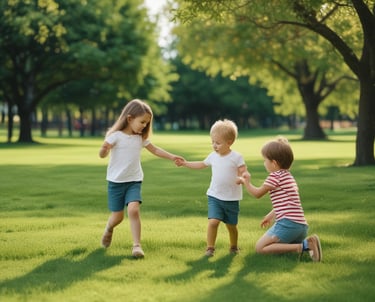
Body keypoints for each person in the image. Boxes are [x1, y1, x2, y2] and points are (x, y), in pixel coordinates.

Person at [99, 99, 184, 258]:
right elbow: (103, 151)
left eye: (147, 123)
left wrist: (172, 157)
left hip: (134, 180)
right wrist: (103, 151)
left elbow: (155, 150)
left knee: (133, 209)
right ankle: (109, 229)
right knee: (117, 217)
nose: (144, 126)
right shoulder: (115, 136)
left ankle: (137, 246)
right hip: (116, 182)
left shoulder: (140, 138)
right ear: (130, 118)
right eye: (142, 122)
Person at [237, 136, 322, 262]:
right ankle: (305, 242)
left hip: (288, 225)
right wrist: (270, 216)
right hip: (301, 227)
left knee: (260, 248)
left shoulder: (274, 176)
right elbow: (287, 203)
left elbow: (257, 194)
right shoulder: (288, 176)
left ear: (274, 162)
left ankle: (304, 246)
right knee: (276, 251)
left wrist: (246, 182)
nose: (264, 163)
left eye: (265, 160)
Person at [176, 119, 247, 257]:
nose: (214, 145)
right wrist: (185, 163)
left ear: (230, 142)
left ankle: (233, 247)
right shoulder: (213, 156)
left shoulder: (236, 157)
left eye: (218, 143)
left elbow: (243, 170)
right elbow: (201, 164)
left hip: (231, 199)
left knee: (231, 226)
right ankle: (210, 248)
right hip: (214, 196)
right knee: (213, 222)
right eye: (212, 142)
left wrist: (241, 177)